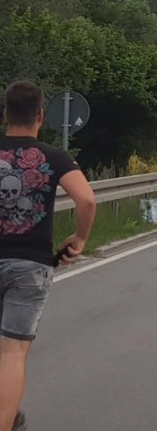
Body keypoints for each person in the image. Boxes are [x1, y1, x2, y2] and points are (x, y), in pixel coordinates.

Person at [0, 82, 96, 431]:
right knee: (12, 351)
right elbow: (86, 200)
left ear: (5, 115)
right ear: (41, 115)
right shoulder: (54, 156)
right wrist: (80, 238)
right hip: (31, 266)